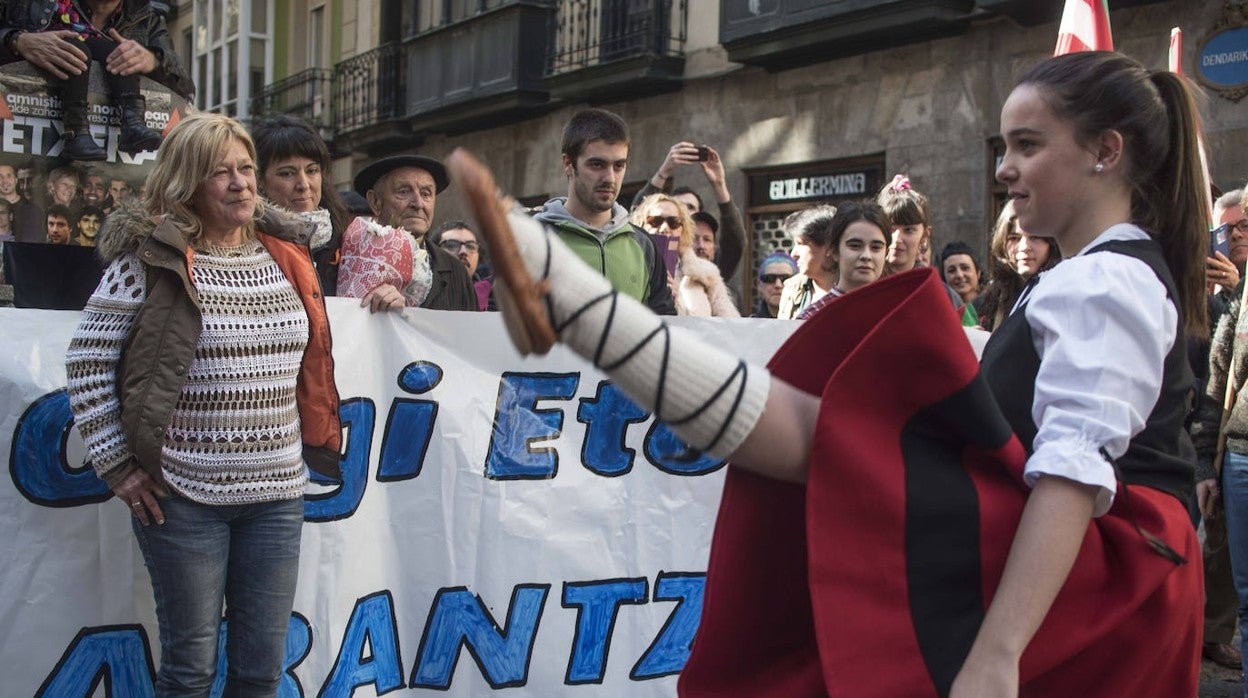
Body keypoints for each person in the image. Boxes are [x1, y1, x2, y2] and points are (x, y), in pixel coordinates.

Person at [450, 48, 1207, 696]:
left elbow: (1075, 471)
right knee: (844, 435)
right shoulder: (1083, 277)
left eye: (1028, 145)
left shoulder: (1106, 281)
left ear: (1106, 152)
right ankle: (580, 312)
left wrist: (997, 654)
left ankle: (580, 310)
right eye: (1006, 144)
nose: (1004, 167)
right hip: (1070, 559)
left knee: (840, 442)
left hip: (1100, 580)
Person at [64, 112, 342, 694]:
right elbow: (87, 362)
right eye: (221, 173)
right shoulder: (151, 260)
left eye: (246, 169)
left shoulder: (286, 256)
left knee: (261, 673)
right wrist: (116, 463)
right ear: (188, 182)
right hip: (183, 496)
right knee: (190, 671)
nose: (241, 183)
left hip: (276, 497)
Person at [0, 0, 194, 159]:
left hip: (105, 163)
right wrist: (15, 40)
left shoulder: (147, 17)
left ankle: (133, 126)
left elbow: (184, 91)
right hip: (14, 142)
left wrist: (153, 62)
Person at [534, 108, 675, 315]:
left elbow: (663, 329)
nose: (609, 177)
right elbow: (496, 326)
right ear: (568, 163)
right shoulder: (530, 240)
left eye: (619, 166)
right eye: (597, 164)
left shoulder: (644, 246)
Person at [1193, 187, 1248, 676]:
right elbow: (1214, 370)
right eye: (1223, 231)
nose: (1232, 240)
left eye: (1241, 228)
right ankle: (1209, 633)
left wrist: (1237, 291)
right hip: (1222, 438)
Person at [340, 154, 476, 312]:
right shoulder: (345, 260)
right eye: (404, 192)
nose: (418, 204)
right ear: (375, 202)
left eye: (426, 194)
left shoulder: (455, 271)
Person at [252, 114, 349, 296]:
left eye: (312, 170)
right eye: (287, 174)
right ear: (260, 181)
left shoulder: (350, 243)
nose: (303, 185)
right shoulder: (245, 246)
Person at [631, 141, 747, 284]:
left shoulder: (707, 266)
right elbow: (637, 216)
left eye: (690, 207)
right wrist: (663, 172)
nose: (684, 212)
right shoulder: (645, 258)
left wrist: (719, 184)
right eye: (659, 220)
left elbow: (735, 244)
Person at [877, 174, 973, 324]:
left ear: (925, 235)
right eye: (890, 229)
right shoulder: (864, 285)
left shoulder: (941, 294)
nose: (897, 238)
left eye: (908, 230)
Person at [634, 192, 737, 317]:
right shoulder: (628, 266)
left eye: (674, 222)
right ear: (641, 225)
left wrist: (678, 302)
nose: (664, 228)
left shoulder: (707, 274)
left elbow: (730, 324)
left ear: (682, 230)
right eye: (656, 221)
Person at [794, 200, 891, 320]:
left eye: (876, 247)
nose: (866, 255)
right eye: (855, 246)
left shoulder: (897, 313)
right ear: (834, 251)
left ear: (886, 253)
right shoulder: (812, 319)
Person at [975, 201, 1062, 332]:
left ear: (1051, 242)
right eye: (1014, 238)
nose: (1024, 247)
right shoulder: (991, 297)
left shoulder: (1063, 291)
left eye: (1035, 237)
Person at [775, 205, 836, 319]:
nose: (793, 254)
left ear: (828, 247)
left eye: (801, 244)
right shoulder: (792, 288)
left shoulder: (854, 286)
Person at [431, 219, 493, 311]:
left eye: (471, 246)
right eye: (451, 245)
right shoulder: (418, 294)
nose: (463, 252)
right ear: (434, 252)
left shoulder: (495, 298)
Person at [939, 240, 983, 321]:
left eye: (965, 268)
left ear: (978, 273)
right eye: (951, 270)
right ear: (944, 277)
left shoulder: (993, 307)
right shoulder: (940, 313)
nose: (959, 275)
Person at [751, 251, 797, 318]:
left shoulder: (810, 324)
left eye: (786, 279)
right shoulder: (750, 326)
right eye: (770, 278)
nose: (778, 285)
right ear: (759, 285)